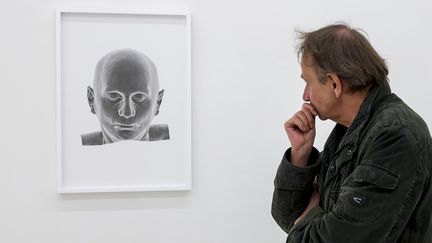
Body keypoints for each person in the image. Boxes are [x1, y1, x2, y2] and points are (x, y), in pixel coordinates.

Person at [271, 23, 432, 243]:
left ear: (335, 84)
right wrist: (300, 155)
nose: (305, 95)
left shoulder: (396, 136)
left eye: (308, 83)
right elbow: (288, 218)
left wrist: (308, 220)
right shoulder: (349, 130)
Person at [81, 49, 170, 146]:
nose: (127, 113)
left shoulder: (183, 139)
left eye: (138, 97)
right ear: (91, 100)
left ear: (158, 102)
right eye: (114, 96)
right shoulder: (71, 147)